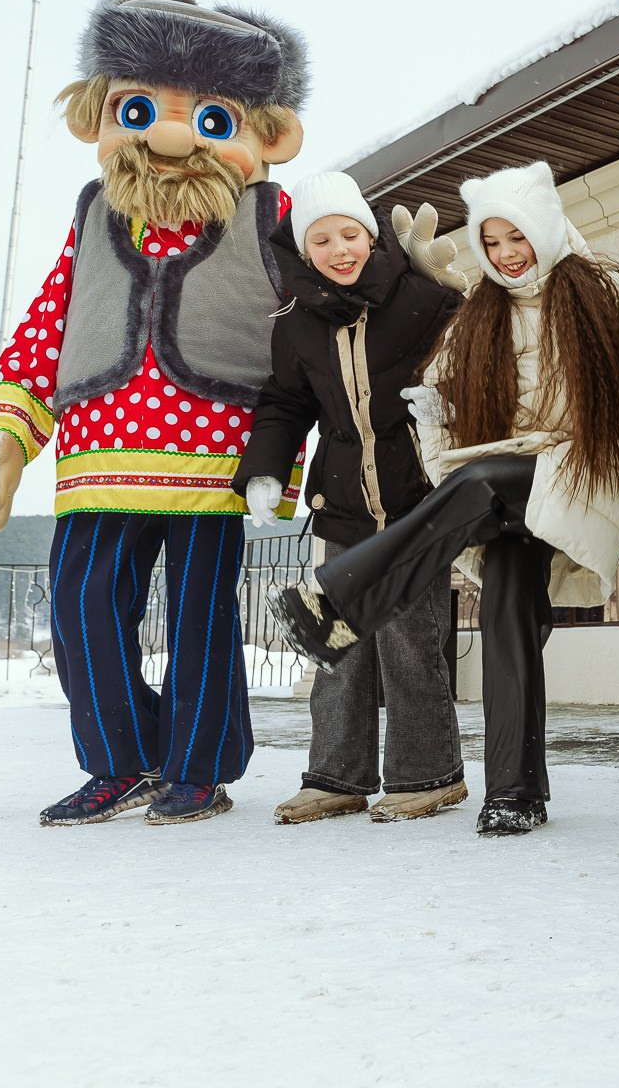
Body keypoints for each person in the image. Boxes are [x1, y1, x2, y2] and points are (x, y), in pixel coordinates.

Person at [0, 0, 309, 827]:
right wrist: (9, 433)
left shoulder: (271, 218)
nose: (168, 136)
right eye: (139, 110)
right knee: (84, 609)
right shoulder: (93, 217)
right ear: (100, 117)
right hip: (97, 452)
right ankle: (121, 761)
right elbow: (49, 323)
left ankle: (198, 768)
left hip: (216, 452)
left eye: (208, 119)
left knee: (202, 615)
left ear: (264, 137)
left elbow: (323, 309)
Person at [273, 163, 619, 837]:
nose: (509, 253)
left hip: (575, 468)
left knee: (474, 482)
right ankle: (515, 792)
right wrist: (430, 414)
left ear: (542, 229)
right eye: (494, 241)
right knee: (508, 616)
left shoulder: (600, 289)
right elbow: (441, 392)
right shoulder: (480, 309)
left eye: (519, 236)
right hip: (511, 482)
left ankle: (341, 600)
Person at [233, 171, 466, 825]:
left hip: (415, 499)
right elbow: (283, 404)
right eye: (323, 238)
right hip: (341, 505)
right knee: (335, 640)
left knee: (408, 639)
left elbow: (471, 354)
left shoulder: (420, 297)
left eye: (350, 234)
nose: (340, 249)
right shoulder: (296, 327)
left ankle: (430, 775)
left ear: (368, 235)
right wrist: (265, 472)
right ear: (304, 251)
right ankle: (337, 776)